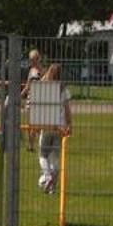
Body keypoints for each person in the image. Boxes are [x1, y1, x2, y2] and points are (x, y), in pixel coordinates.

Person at [35, 63, 71, 194]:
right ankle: (52, 188)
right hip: (59, 128)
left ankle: (47, 176)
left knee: (42, 156)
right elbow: (67, 110)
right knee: (55, 160)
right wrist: (69, 125)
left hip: (46, 125)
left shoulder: (45, 88)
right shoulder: (63, 90)